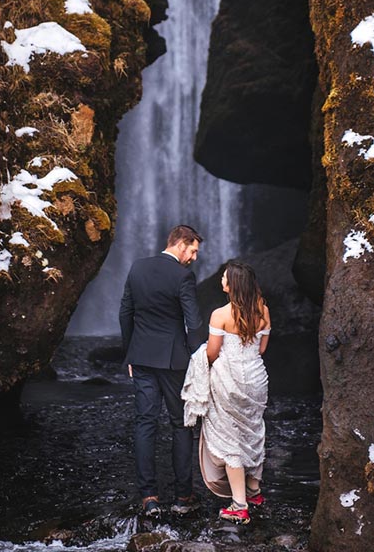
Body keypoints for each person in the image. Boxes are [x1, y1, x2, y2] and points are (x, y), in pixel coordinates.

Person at [119, 225, 203, 516]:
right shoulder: (183, 276)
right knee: (181, 424)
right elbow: (193, 324)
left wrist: (130, 352)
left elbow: (125, 312)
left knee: (145, 423)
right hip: (173, 361)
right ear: (180, 244)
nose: (193, 257)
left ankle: (149, 497)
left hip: (141, 357)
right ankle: (182, 496)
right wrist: (200, 358)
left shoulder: (137, 268)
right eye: (192, 250)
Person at [182, 260, 271, 525]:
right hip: (256, 379)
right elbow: (262, 349)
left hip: (227, 381)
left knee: (230, 437)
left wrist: (200, 364)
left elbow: (211, 352)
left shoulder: (220, 314)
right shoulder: (263, 310)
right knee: (253, 431)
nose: (221, 280)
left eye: (224, 277)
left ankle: (239, 505)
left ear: (232, 284)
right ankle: (254, 491)